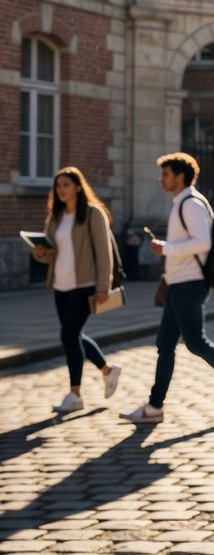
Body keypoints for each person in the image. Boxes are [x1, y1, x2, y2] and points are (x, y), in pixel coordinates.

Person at [120, 152, 214, 423]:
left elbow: (202, 243)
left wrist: (166, 248)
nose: (161, 179)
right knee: (166, 345)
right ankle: (154, 406)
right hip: (179, 284)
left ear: (180, 176)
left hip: (190, 285)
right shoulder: (184, 202)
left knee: (196, 343)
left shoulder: (190, 204)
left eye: (166, 174)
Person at [31, 167, 122, 413]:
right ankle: (108, 371)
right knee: (75, 336)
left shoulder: (92, 214)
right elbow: (51, 254)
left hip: (85, 285)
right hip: (61, 285)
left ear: (78, 187)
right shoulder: (56, 217)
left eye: (66, 185)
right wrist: (40, 253)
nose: (61, 190)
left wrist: (103, 286)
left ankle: (75, 395)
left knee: (68, 336)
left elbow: (104, 254)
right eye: (58, 186)